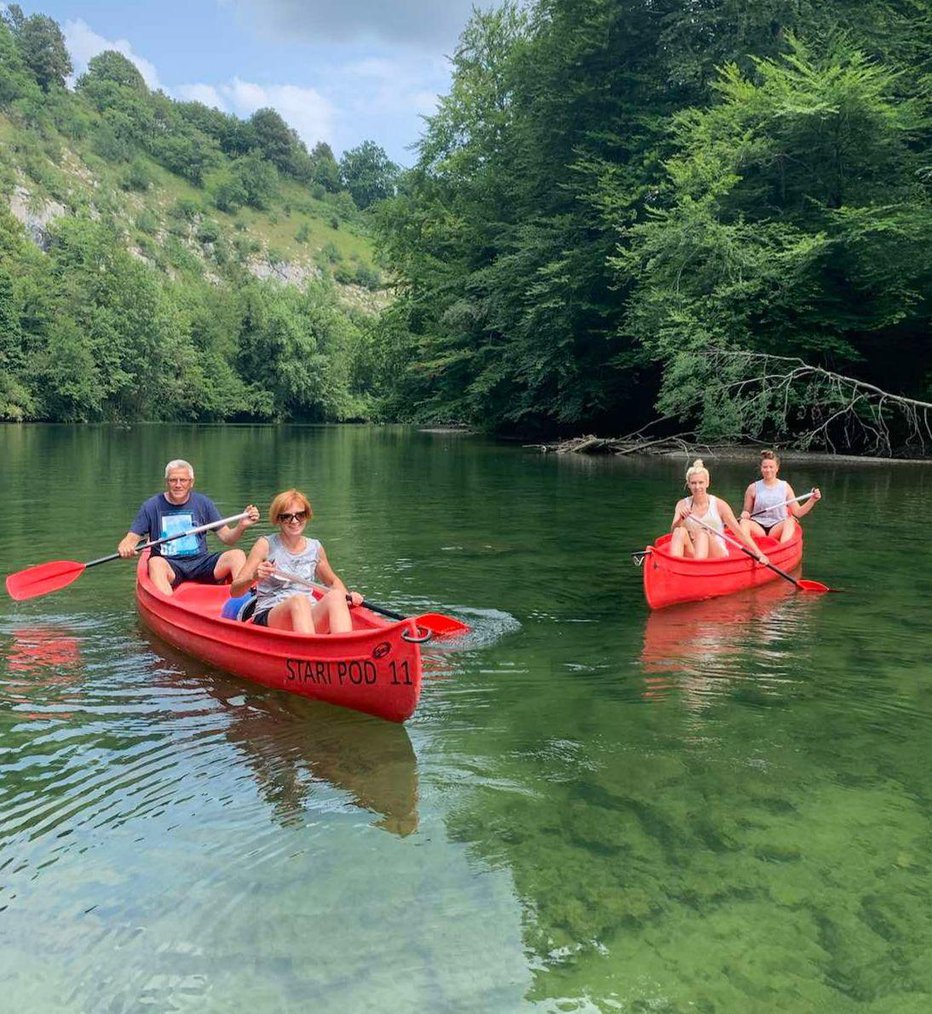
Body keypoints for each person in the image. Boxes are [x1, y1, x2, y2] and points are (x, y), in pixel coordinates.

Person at [118, 459, 260, 595]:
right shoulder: (151, 506)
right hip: (169, 565)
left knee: (237, 555)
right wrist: (126, 546)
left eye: (183, 480)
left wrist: (241, 526)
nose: (178, 485)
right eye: (173, 480)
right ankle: (169, 606)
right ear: (167, 482)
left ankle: (243, 601)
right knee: (155, 562)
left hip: (200, 562)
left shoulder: (203, 503)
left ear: (191, 482)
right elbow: (131, 538)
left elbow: (227, 538)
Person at [229, 489, 363, 634]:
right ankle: (308, 651)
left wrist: (349, 596)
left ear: (307, 515)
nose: (294, 521)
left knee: (336, 596)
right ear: (278, 519)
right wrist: (253, 577)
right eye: (287, 516)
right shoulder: (265, 545)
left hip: (308, 614)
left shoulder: (315, 547)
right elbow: (235, 591)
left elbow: (332, 582)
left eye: (300, 515)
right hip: (272, 613)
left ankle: (343, 650)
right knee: (298, 601)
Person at [669, 459, 769, 565]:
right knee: (679, 532)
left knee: (703, 533)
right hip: (693, 552)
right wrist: (680, 518)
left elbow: (739, 532)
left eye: (701, 482)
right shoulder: (682, 504)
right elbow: (673, 532)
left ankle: (697, 569)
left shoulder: (719, 505)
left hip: (716, 553)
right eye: (693, 483)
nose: (697, 487)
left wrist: (758, 553)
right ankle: (674, 568)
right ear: (688, 484)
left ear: (707, 483)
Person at [738, 450, 821, 544]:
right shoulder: (752, 488)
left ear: (777, 468)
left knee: (790, 521)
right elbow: (746, 511)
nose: (768, 470)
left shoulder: (785, 487)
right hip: (758, 527)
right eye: (765, 467)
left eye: (771, 467)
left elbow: (798, 513)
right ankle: (748, 549)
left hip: (777, 526)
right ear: (761, 468)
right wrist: (745, 513)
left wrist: (812, 500)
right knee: (744, 522)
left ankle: (782, 549)